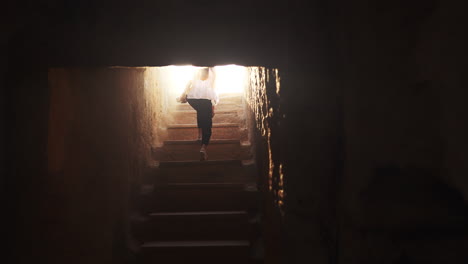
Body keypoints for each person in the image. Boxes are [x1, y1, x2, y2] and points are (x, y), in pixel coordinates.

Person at [177, 67, 219, 161]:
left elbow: (188, 83)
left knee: (201, 113)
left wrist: (183, 95)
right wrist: (212, 108)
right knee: (207, 125)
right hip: (205, 101)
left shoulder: (195, 76)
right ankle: (203, 147)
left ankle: (199, 135)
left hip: (193, 100)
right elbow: (213, 96)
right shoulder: (210, 79)